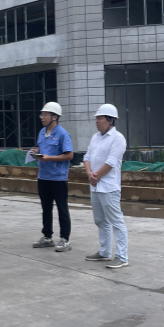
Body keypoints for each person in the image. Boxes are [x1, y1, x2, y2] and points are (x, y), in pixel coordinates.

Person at [83, 104, 129, 269]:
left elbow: (111, 162)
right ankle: (104, 252)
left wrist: (95, 176)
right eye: (96, 118)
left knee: (116, 221)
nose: (97, 121)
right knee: (100, 220)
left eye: (100, 118)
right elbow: (87, 157)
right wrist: (89, 174)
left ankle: (122, 257)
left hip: (108, 187)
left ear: (110, 120)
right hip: (95, 186)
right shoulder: (95, 137)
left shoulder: (118, 138)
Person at [30, 102, 74, 252]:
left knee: (62, 208)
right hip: (43, 176)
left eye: (45, 114)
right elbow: (42, 149)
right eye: (41, 114)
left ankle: (65, 239)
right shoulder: (42, 132)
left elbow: (69, 155)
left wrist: (50, 158)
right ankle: (47, 237)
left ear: (54, 117)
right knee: (46, 208)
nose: (42, 117)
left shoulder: (62, 134)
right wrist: (36, 151)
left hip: (58, 178)